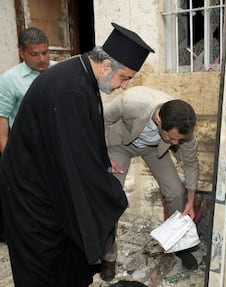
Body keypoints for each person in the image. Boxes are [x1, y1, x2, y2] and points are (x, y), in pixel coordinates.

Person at [0, 22, 154, 287]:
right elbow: (75, 158)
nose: (124, 86)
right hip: (31, 196)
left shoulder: (82, 74)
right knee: (43, 268)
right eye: (125, 77)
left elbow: (83, 139)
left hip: (48, 182)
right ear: (107, 66)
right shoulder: (69, 89)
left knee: (68, 259)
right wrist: (111, 194)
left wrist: (103, 165)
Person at [102, 86, 199, 280]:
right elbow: (100, 119)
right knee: (110, 196)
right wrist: (101, 154)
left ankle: (177, 245)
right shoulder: (131, 103)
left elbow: (190, 164)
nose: (176, 143)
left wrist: (190, 201)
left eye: (179, 139)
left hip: (155, 149)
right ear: (159, 120)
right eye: (172, 137)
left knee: (176, 192)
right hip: (121, 143)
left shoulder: (183, 131)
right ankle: (108, 257)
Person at [0, 27, 55, 242]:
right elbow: (2, 118)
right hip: (26, 150)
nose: (42, 59)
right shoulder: (9, 79)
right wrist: (7, 156)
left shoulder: (58, 71)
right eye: (35, 54)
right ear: (22, 53)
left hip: (54, 146)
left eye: (46, 52)